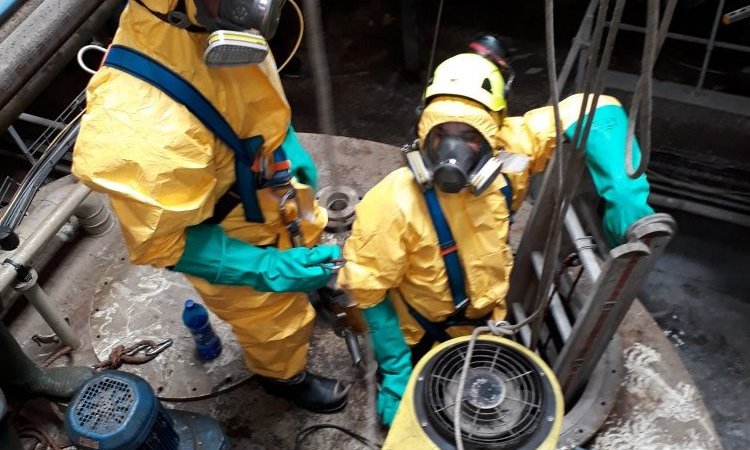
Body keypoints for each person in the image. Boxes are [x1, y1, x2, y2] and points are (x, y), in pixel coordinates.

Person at [338, 34, 654, 426]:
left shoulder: (510, 157)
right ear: (424, 131)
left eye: (471, 137)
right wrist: (396, 370)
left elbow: (596, 109)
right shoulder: (393, 203)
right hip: (418, 332)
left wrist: (625, 194)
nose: (454, 151)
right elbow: (367, 293)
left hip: (486, 321)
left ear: (494, 135)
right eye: (442, 134)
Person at [72, 0, 349, 413]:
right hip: (232, 233)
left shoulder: (209, 25)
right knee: (269, 320)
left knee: (308, 242)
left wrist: (283, 139)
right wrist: (264, 269)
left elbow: (246, 97)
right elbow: (165, 243)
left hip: (273, 185)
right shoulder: (137, 126)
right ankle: (283, 377)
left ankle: (310, 279)